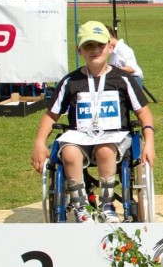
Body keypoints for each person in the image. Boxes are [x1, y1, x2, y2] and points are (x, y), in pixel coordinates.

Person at [31, 21, 156, 223]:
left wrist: (149, 142)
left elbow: (144, 113)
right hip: (80, 137)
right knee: (69, 153)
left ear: (110, 47)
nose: (95, 50)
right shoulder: (70, 81)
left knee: (105, 150)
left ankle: (107, 204)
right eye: (89, 46)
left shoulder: (123, 79)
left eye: (100, 45)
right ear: (79, 50)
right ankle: (82, 206)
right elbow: (50, 115)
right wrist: (38, 143)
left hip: (114, 138)